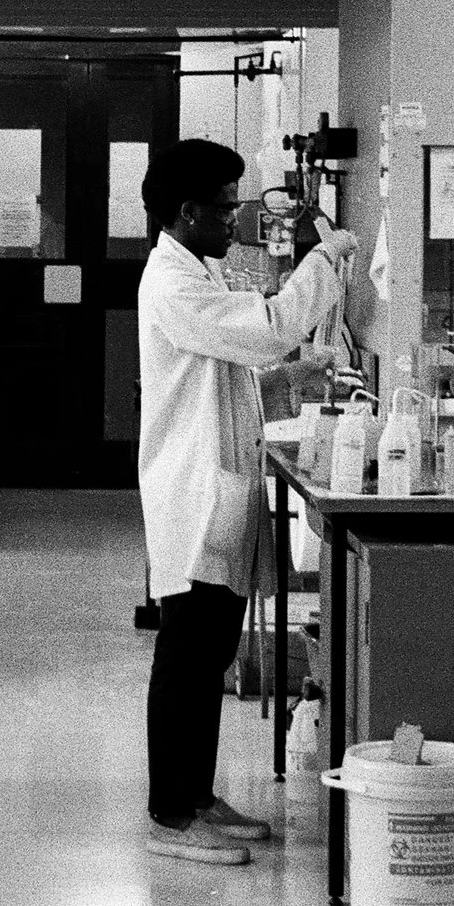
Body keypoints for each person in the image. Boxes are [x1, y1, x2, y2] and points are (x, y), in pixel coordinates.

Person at [136, 138, 357, 866]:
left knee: (211, 654)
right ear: (184, 210)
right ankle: (171, 814)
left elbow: (238, 362)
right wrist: (322, 263)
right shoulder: (173, 282)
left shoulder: (199, 272)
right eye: (225, 207)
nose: (235, 218)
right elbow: (262, 326)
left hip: (221, 485)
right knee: (187, 653)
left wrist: (293, 367)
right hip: (194, 490)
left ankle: (197, 796)